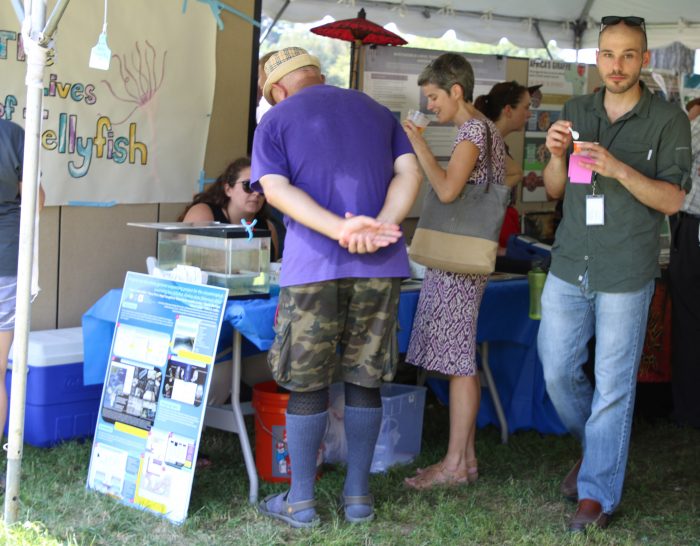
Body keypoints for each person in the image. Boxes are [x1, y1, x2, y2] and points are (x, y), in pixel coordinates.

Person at [251, 46, 421, 527]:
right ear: (317, 75)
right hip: (380, 262)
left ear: (278, 90)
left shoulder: (276, 120)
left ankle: (301, 502)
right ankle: (358, 499)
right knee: (365, 378)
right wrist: (381, 227)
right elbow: (409, 173)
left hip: (313, 265)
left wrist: (339, 230)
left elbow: (277, 189)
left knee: (308, 382)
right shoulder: (376, 111)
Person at [538, 16, 691, 532]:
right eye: (608, 54)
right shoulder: (577, 109)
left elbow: (674, 198)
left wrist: (619, 168)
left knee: (613, 385)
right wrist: (557, 155)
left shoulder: (668, 119)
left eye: (628, 55)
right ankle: (595, 449)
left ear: (644, 60)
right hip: (570, 260)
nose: (617, 65)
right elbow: (557, 190)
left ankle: (597, 494)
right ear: (596, 59)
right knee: (557, 371)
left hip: (626, 266)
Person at [401, 53, 506, 490]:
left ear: (456, 91)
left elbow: (445, 191)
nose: (429, 107)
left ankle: (453, 466)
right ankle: (465, 460)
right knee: (462, 360)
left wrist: (418, 143)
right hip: (467, 257)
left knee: (460, 362)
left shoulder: (473, 130)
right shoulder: (487, 128)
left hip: (459, 262)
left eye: (434, 97)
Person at [475, 80, 537, 253]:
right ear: (508, 110)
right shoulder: (484, 141)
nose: (529, 114)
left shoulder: (496, 142)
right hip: (489, 235)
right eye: (526, 107)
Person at [668, 96, 700, 429]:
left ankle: (690, 410)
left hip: (694, 230)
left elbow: (674, 165)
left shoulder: (695, 128)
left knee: (690, 322)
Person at [180, 157, 280, 261]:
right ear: (228, 189)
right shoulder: (203, 214)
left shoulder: (268, 227)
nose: (256, 193)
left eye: (262, 188)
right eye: (248, 185)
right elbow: (186, 260)